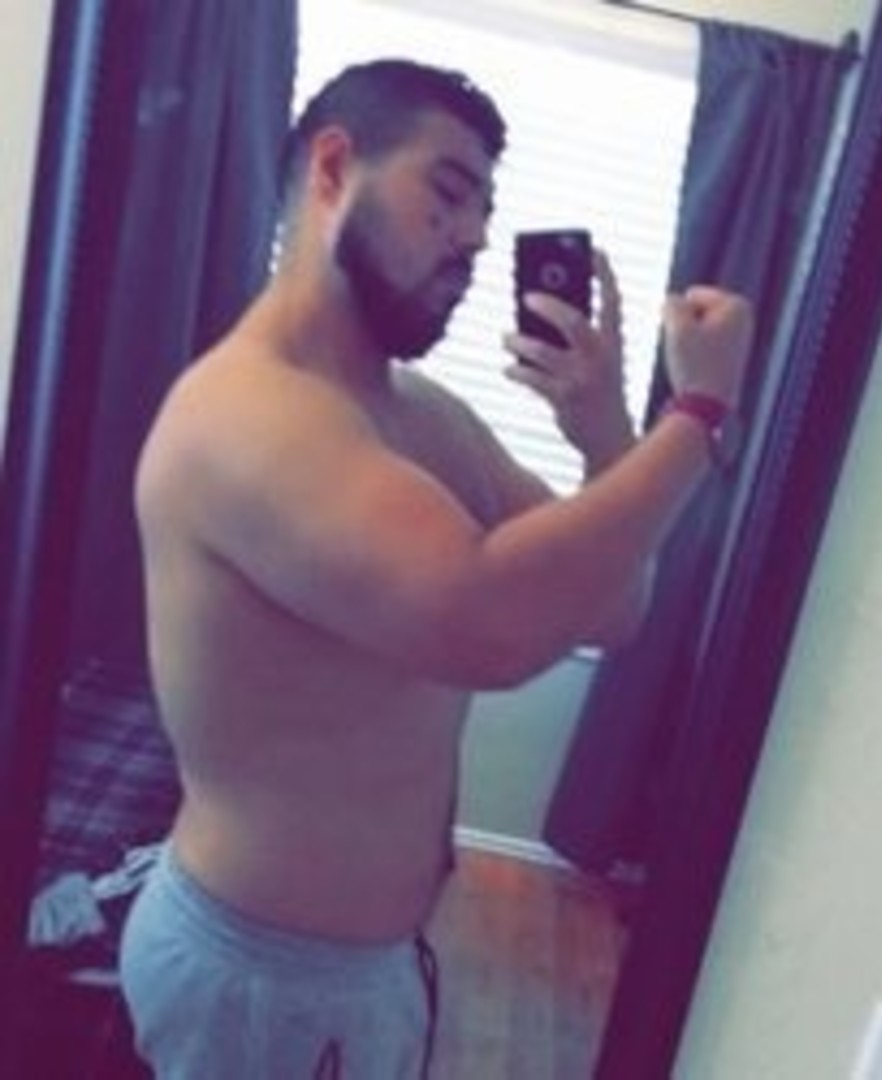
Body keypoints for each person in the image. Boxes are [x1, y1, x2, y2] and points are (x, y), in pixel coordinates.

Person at [117, 58, 752, 1079]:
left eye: (485, 211)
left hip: (373, 964)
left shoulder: (420, 415)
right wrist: (699, 415)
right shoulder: (244, 419)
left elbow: (611, 609)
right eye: (447, 194)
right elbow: (488, 630)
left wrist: (602, 428)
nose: (474, 238)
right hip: (263, 979)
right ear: (334, 170)